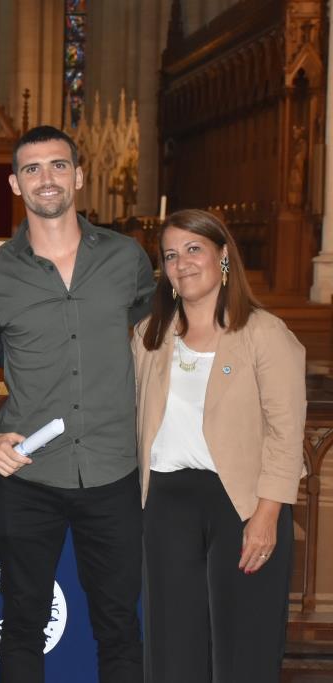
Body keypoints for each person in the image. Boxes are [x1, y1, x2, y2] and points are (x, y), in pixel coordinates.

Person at [0, 125, 155, 682]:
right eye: (32, 169)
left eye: (56, 165)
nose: (46, 178)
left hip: (113, 471)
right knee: (22, 623)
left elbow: (160, 338)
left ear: (78, 174)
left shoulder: (126, 259)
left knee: (119, 624)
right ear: (15, 184)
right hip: (29, 477)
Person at [132, 209, 305, 682]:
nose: (182, 263)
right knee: (172, 648)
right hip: (166, 503)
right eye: (171, 255)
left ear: (222, 256)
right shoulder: (149, 336)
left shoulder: (263, 334)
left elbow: (287, 432)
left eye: (194, 249)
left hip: (243, 504)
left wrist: (267, 516)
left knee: (243, 648)